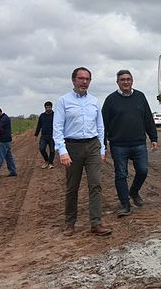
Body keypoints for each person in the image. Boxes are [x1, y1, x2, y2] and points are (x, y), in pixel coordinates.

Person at [53, 67, 111, 236]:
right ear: (73, 80)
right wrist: (62, 151)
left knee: (96, 184)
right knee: (72, 186)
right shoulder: (63, 101)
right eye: (81, 78)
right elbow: (57, 127)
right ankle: (70, 223)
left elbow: (100, 126)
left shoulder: (94, 101)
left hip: (92, 145)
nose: (84, 82)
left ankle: (96, 223)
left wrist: (101, 148)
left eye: (87, 79)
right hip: (72, 147)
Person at [102, 69, 158, 218]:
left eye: (128, 79)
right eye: (122, 80)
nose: (125, 82)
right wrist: (103, 145)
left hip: (138, 143)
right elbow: (103, 124)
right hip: (118, 145)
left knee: (143, 170)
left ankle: (133, 192)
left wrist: (153, 138)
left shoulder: (140, 96)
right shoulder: (110, 100)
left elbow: (148, 118)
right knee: (121, 174)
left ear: (132, 81)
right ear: (117, 82)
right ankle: (125, 204)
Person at [0, 106, 18, 180]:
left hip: (4, 140)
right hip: (7, 140)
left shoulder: (4, 119)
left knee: (0, 157)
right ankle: (13, 171)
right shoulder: (4, 118)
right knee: (9, 157)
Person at [35, 101, 55, 169]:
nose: (48, 109)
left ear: (51, 107)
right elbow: (39, 125)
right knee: (42, 149)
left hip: (52, 135)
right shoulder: (42, 116)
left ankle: (51, 163)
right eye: (46, 107)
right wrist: (36, 134)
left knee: (52, 150)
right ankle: (46, 161)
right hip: (44, 136)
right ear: (45, 108)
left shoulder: (55, 115)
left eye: (49, 107)